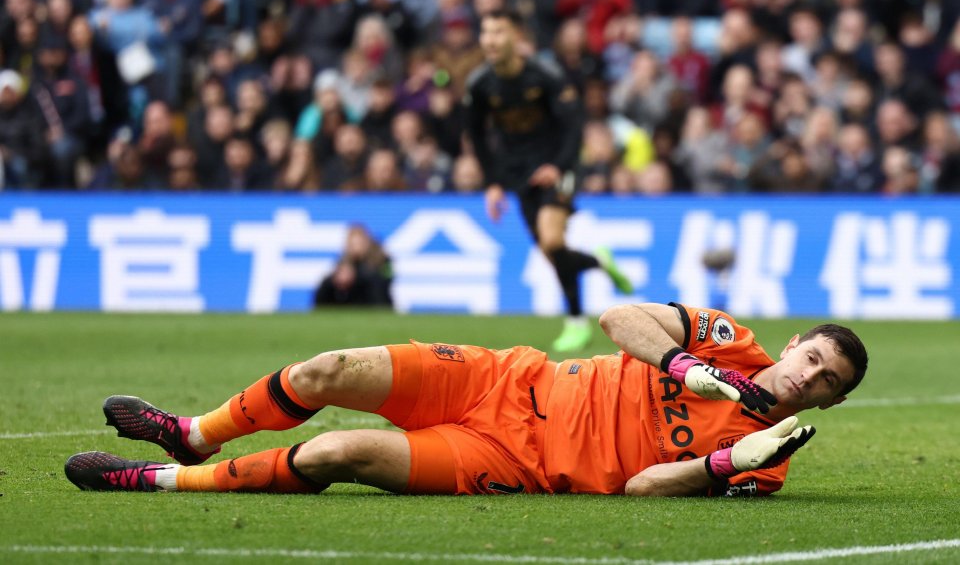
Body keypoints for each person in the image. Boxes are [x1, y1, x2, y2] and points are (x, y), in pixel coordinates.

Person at [65, 302, 867, 498]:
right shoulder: (732, 340)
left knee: (338, 452)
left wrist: (725, 463)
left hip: (515, 458)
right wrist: (688, 363)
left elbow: (641, 488)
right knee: (327, 369)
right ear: (794, 343)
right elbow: (619, 317)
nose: (810, 376)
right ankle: (194, 433)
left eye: (828, 382)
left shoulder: (769, 466)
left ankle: (155, 480)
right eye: (815, 358)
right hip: (504, 377)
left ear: (826, 403)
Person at [464, 9, 633, 352]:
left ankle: (575, 321)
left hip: (559, 166)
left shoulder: (544, 75)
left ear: (516, 38)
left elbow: (574, 126)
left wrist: (558, 166)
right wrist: (493, 183)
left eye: (499, 32)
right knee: (548, 249)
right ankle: (597, 265)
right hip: (519, 174)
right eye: (486, 33)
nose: (491, 40)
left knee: (553, 241)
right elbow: (478, 138)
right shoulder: (480, 85)